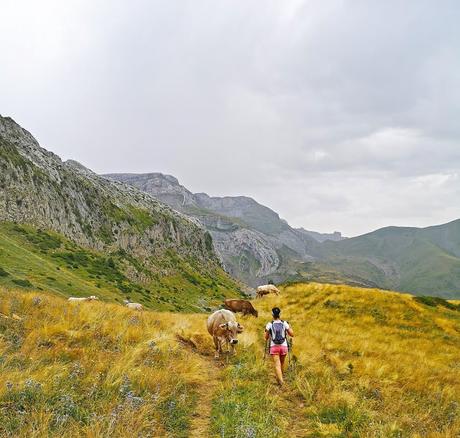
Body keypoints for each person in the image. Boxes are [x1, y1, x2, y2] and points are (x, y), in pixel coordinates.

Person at [265, 307, 294, 385]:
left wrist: (268, 332)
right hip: (283, 346)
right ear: (280, 314)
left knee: (277, 364)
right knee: (282, 363)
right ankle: (280, 378)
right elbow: (292, 334)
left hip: (274, 347)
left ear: (272, 314)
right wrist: (289, 326)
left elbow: (266, 337)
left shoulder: (269, 324)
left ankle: (281, 381)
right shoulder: (284, 323)